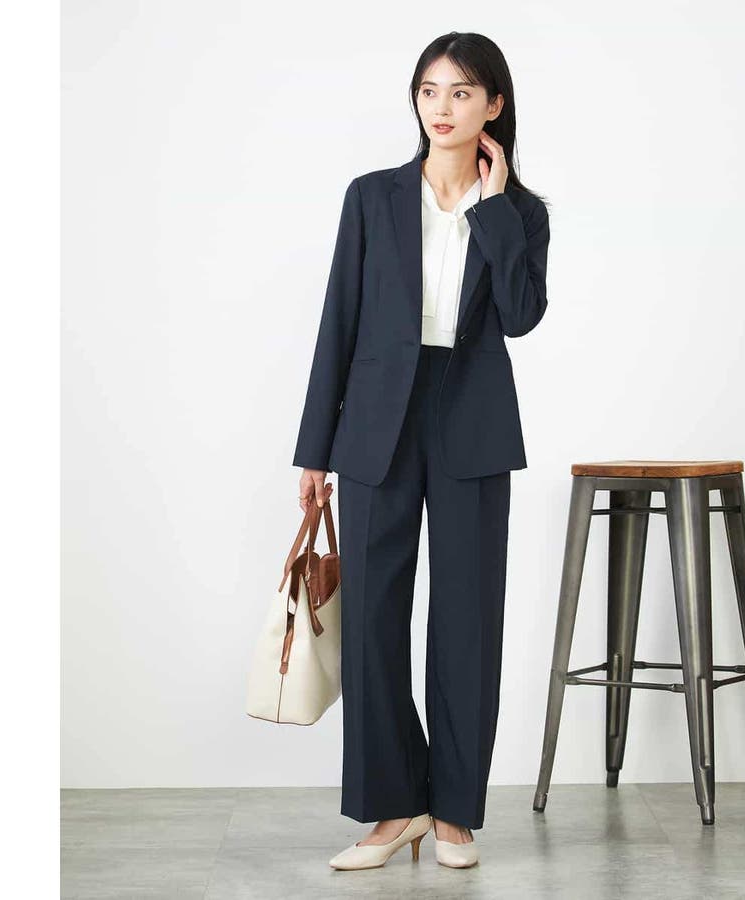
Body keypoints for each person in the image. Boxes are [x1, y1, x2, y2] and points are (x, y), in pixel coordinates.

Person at [292, 31, 551, 870]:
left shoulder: (522, 213)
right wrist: (314, 451)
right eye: (430, 90)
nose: (443, 107)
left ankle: (454, 813)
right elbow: (338, 320)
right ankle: (393, 808)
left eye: (462, 92)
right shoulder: (372, 197)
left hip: (470, 418)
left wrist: (494, 209)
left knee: (467, 619)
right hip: (376, 421)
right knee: (371, 618)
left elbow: (521, 317)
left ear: (494, 106)